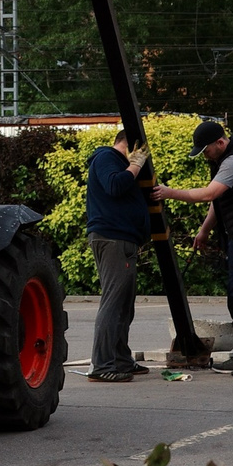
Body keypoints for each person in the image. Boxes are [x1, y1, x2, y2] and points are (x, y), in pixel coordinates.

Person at [154, 118, 233, 372]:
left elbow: (209, 194)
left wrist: (169, 192)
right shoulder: (225, 159)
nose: (205, 156)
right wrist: (204, 230)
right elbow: (219, 203)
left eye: (206, 150)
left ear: (220, 142)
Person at [80, 127, 154, 381]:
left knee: (124, 305)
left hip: (122, 240)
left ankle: (121, 360)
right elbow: (114, 185)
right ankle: (102, 366)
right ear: (127, 145)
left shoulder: (117, 164)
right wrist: (134, 166)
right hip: (113, 238)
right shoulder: (106, 158)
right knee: (113, 303)